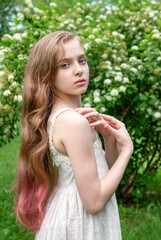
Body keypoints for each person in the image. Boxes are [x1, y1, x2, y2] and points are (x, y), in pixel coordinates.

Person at [16, 31, 133, 240]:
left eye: (82, 60)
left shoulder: (70, 117)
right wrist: (127, 151)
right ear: (47, 75)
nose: (79, 70)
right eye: (65, 65)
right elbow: (94, 202)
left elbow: (100, 174)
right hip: (79, 223)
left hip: (70, 213)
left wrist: (110, 139)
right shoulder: (73, 122)